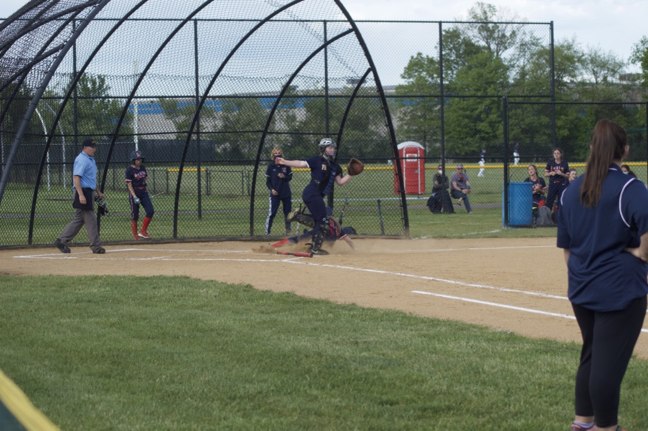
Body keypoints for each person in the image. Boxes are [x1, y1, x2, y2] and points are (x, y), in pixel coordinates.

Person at [557, 119, 648, 431]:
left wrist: (584, 275)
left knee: (593, 354)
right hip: (619, 290)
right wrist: (639, 254)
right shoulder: (630, 187)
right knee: (606, 365)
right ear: (625, 150)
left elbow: (567, 249)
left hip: (582, 287)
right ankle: (606, 427)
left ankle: (583, 422)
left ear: (591, 148)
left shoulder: (571, 190)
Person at [276, 137, 354, 255]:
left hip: (317, 196)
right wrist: (284, 161)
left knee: (320, 222)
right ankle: (314, 249)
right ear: (323, 149)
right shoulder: (317, 160)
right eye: (329, 147)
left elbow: (341, 182)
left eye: (333, 148)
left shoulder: (335, 166)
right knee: (323, 222)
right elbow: (301, 163)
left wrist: (351, 174)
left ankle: (299, 217)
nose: (332, 149)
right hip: (312, 193)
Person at [54, 138, 106, 254]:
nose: (94, 149)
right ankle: (96, 246)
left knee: (79, 220)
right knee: (91, 219)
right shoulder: (82, 159)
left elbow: (91, 179)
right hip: (83, 192)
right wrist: (81, 195)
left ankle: (61, 240)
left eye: (94, 147)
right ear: (85, 148)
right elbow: (76, 177)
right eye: (92, 147)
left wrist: (98, 192)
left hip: (88, 191)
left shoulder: (91, 160)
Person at [125, 150, 154, 240]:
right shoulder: (129, 170)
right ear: (133, 160)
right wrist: (134, 196)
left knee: (150, 211)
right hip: (135, 193)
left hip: (143, 192)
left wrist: (147, 192)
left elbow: (145, 180)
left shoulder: (142, 168)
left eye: (140, 159)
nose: (139, 161)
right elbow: (129, 184)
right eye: (137, 159)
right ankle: (135, 236)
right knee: (135, 215)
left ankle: (143, 232)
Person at [264, 147, 292, 236]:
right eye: (275, 153)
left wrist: (284, 176)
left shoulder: (286, 165)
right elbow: (268, 182)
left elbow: (290, 177)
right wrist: (272, 189)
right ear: (273, 155)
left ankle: (288, 231)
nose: (277, 155)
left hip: (286, 193)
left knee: (288, 213)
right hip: (275, 194)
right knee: (272, 213)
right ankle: (267, 232)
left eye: (279, 153)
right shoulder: (271, 166)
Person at [544, 147, 569, 212]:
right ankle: (547, 216)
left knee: (561, 201)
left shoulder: (564, 163)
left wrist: (561, 173)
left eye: (558, 153)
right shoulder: (550, 162)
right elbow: (545, 174)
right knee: (549, 201)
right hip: (553, 184)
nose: (556, 155)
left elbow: (568, 176)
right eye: (555, 153)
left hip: (562, 184)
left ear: (560, 154)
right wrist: (550, 173)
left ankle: (561, 215)